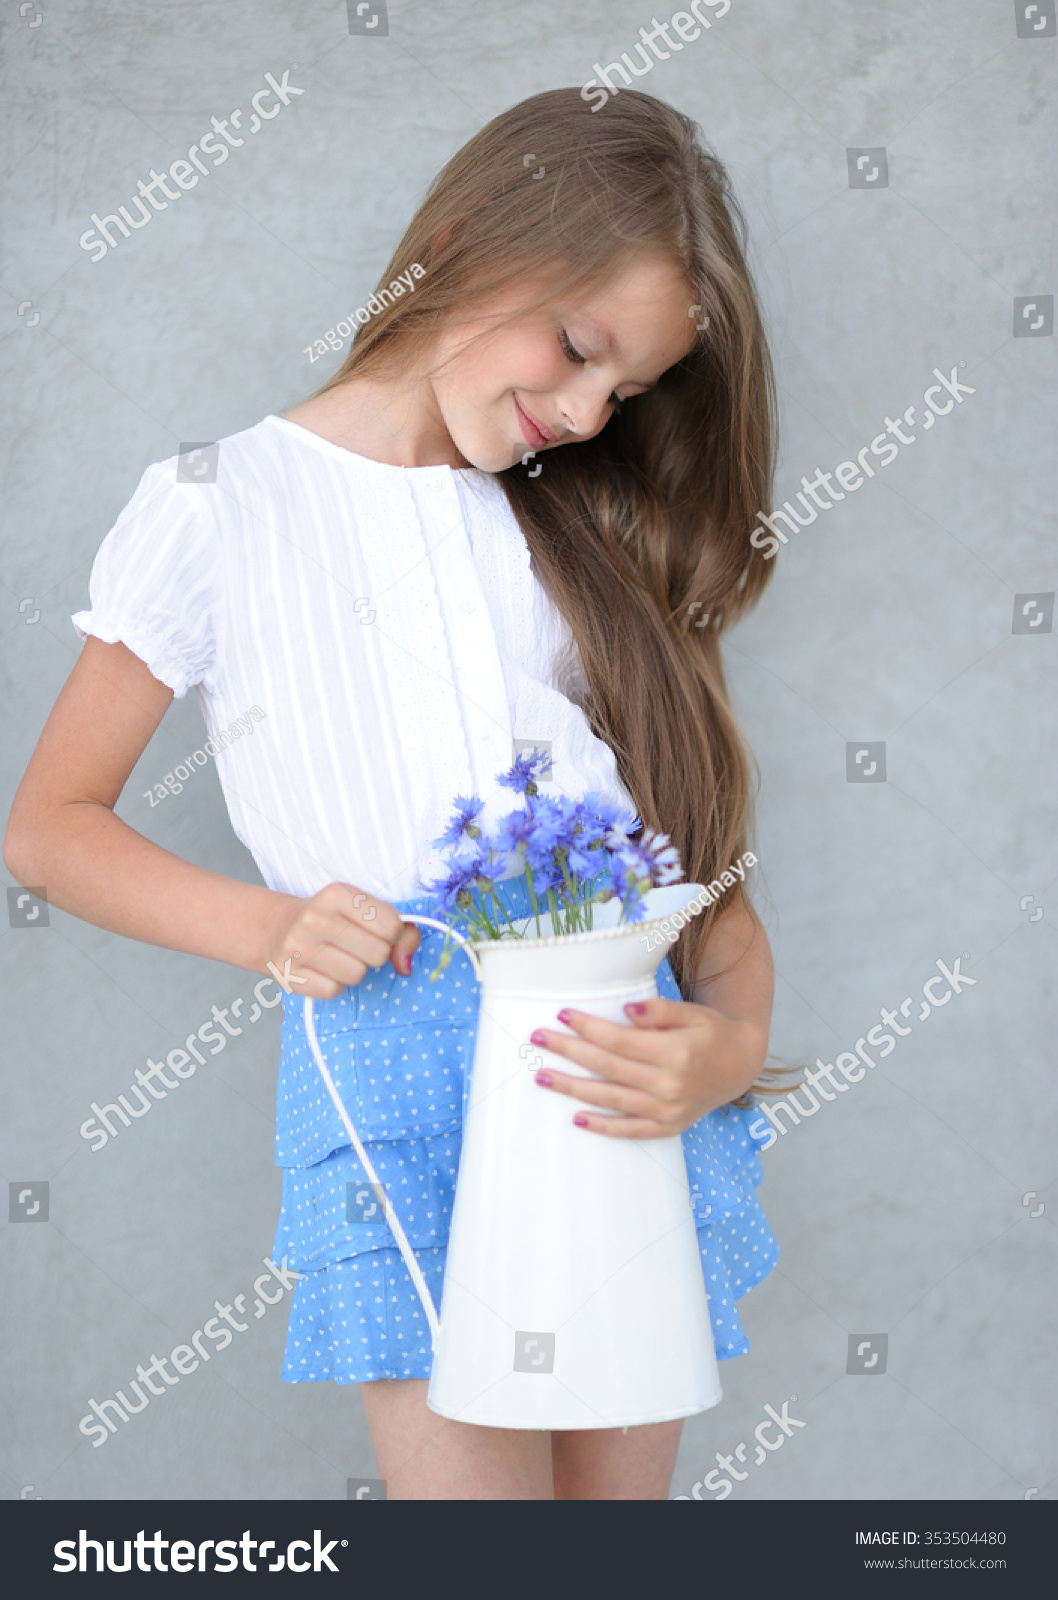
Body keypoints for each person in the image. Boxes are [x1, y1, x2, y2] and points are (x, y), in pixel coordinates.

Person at [5, 87, 781, 1500]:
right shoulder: (216, 504)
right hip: (397, 1060)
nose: (590, 411)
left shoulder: (570, 533)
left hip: (613, 1064)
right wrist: (267, 931)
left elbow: (694, 877)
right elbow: (49, 829)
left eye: (625, 392)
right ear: (481, 248)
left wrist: (728, 1051)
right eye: (582, 351)